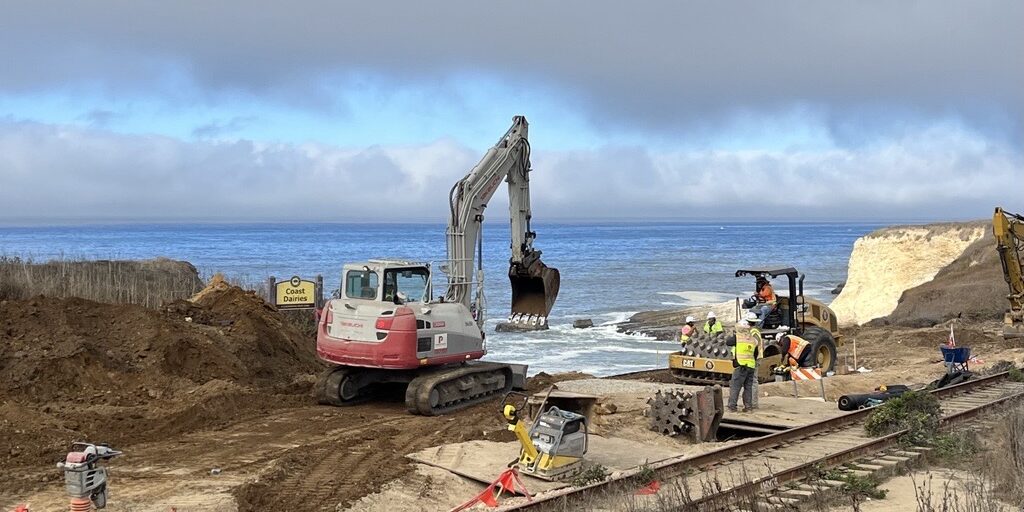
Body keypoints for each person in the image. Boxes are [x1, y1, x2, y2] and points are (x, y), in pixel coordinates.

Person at [727, 312, 762, 412]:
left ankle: (732, 407)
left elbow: (728, 342)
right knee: (748, 387)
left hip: (741, 365)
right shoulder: (752, 338)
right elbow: (755, 352)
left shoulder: (737, 337)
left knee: (735, 386)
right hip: (751, 365)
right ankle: (748, 407)